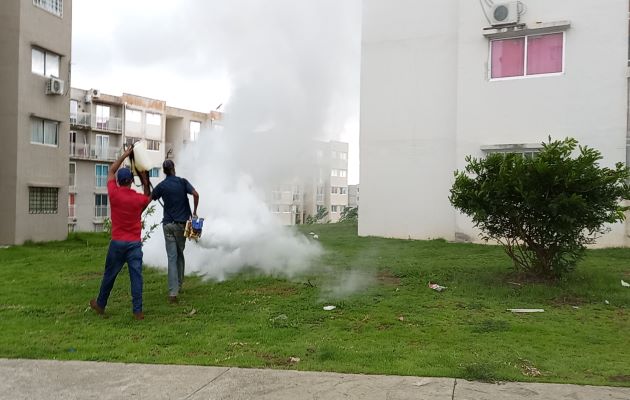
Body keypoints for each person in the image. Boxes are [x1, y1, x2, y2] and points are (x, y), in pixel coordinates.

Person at [89, 145, 151, 320]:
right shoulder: (138, 199)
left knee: (110, 274)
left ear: (119, 181)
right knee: (136, 277)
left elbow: (111, 171)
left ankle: (101, 304)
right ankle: (137, 311)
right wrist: (145, 179)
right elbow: (147, 197)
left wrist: (126, 154)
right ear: (131, 181)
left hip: (117, 243)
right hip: (134, 244)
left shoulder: (113, 193)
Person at [151, 159, 199, 303]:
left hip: (167, 226)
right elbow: (196, 194)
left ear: (164, 171)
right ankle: (178, 284)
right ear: (173, 168)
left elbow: (151, 197)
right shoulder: (182, 182)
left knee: (172, 258)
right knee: (179, 255)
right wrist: (195, 212)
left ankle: (173, 292)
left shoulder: (162, 186)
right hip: (181, 225)